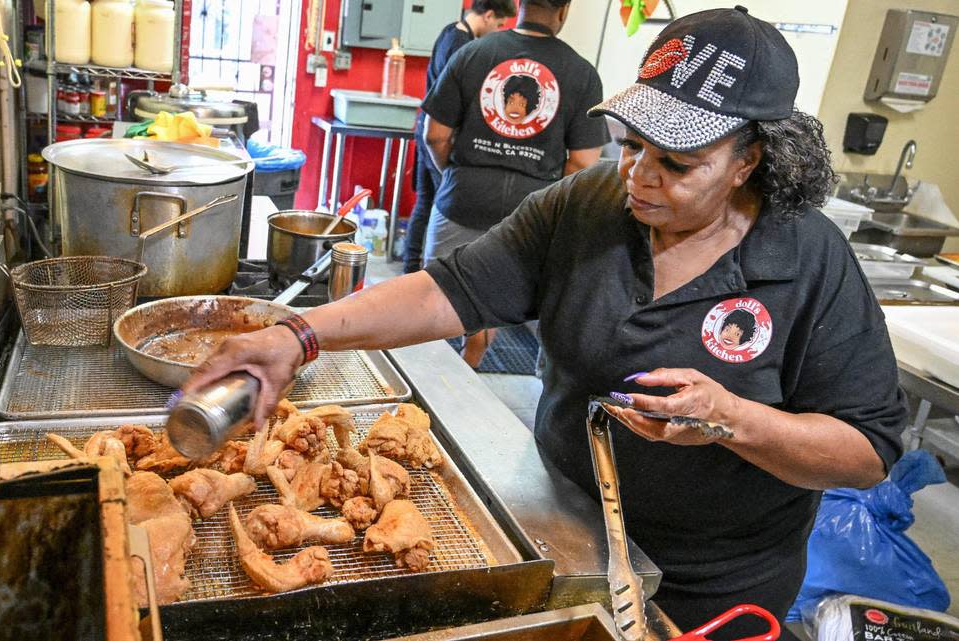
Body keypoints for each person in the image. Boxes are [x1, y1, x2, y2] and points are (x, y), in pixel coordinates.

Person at [184, 7, 907, 634]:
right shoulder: (589, 204)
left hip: (709, 584)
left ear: (750, 159)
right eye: (631, 145)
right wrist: (299, 333)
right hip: (563, 526)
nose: (640, 176)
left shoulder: (808, 259)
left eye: (678, 164)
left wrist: (732, 418)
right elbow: (449, 289)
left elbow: (868, 449)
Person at [421, 0, 609, 367]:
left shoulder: (472, 53)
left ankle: (424, 375)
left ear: (520, 4)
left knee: (432, 293)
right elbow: (583, 163)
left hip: (463, 195)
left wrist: (455, 175)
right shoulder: (583, 74)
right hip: (531, 209)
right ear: (564, 9)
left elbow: (435, 136)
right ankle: (470, 362)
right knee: (493, 291)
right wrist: (548, 201)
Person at [402, 0, 516, 276]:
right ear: (489, 16)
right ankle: (426, 274)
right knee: (439, 203)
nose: (498, 31)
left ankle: (410, 269)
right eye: (499, 25)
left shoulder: (449, 31)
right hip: (442, 135)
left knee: (425, 201)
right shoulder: (463, 47)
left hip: (427, 126)